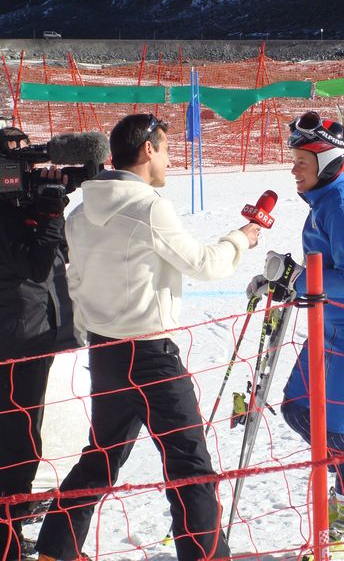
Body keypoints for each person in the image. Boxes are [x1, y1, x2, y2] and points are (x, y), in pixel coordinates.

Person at [35, 113, 261, 561]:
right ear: (147, 150)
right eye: (166, 149)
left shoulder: (79, 212)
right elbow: (203, 264)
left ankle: (54, 550)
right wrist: (241, 238)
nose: (170, 160)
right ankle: (207, 556)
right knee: (189, 463)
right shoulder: (148, 206)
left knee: (100, 459)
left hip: (106, 352)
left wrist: (94, 333)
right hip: (152, 355)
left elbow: (73, 282)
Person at [247, 111, 344, 551]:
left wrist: (296, 279)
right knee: (297, 409)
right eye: (294, 160)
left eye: (301, 162)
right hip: (329, 327)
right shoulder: (323, 207)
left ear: (329, 164)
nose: (293, 169)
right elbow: (318, 273)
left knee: (335, 422)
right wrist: (284, 280)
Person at [0, 127, 79, 561]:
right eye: (17, 168)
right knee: (16, 444)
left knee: (22, 435)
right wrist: (48, 213)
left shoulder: (16, 206)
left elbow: (58, 252)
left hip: (32, 333)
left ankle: (11, 523)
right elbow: (35, 265)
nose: (22, 175)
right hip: (15, 340)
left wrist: (48, 207)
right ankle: (7, 540)